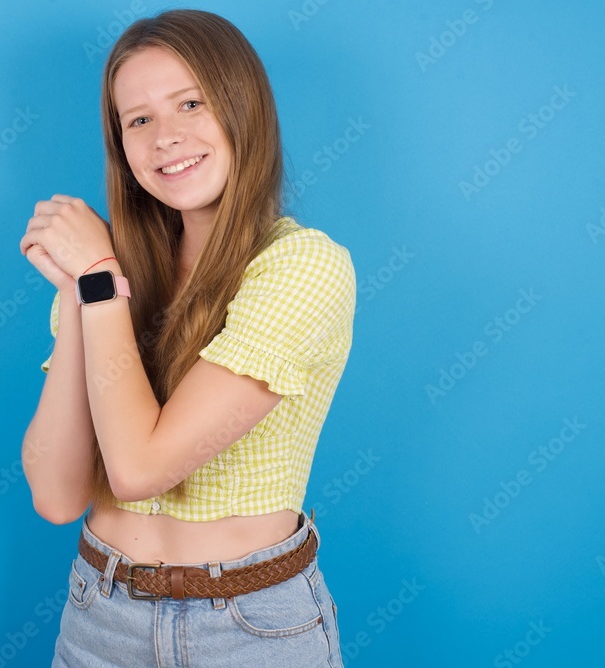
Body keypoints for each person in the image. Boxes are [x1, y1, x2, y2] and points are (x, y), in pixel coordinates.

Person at [19, 9, 355, 667]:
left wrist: (95, 281)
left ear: (244, 109)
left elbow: (141, 470)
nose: (165, 137)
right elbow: (57, 497)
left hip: (253, 631)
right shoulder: (110, 272)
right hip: (98, 615)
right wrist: (79, 290)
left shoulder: (303, 266)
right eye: (138, 119)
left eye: (191, 103)